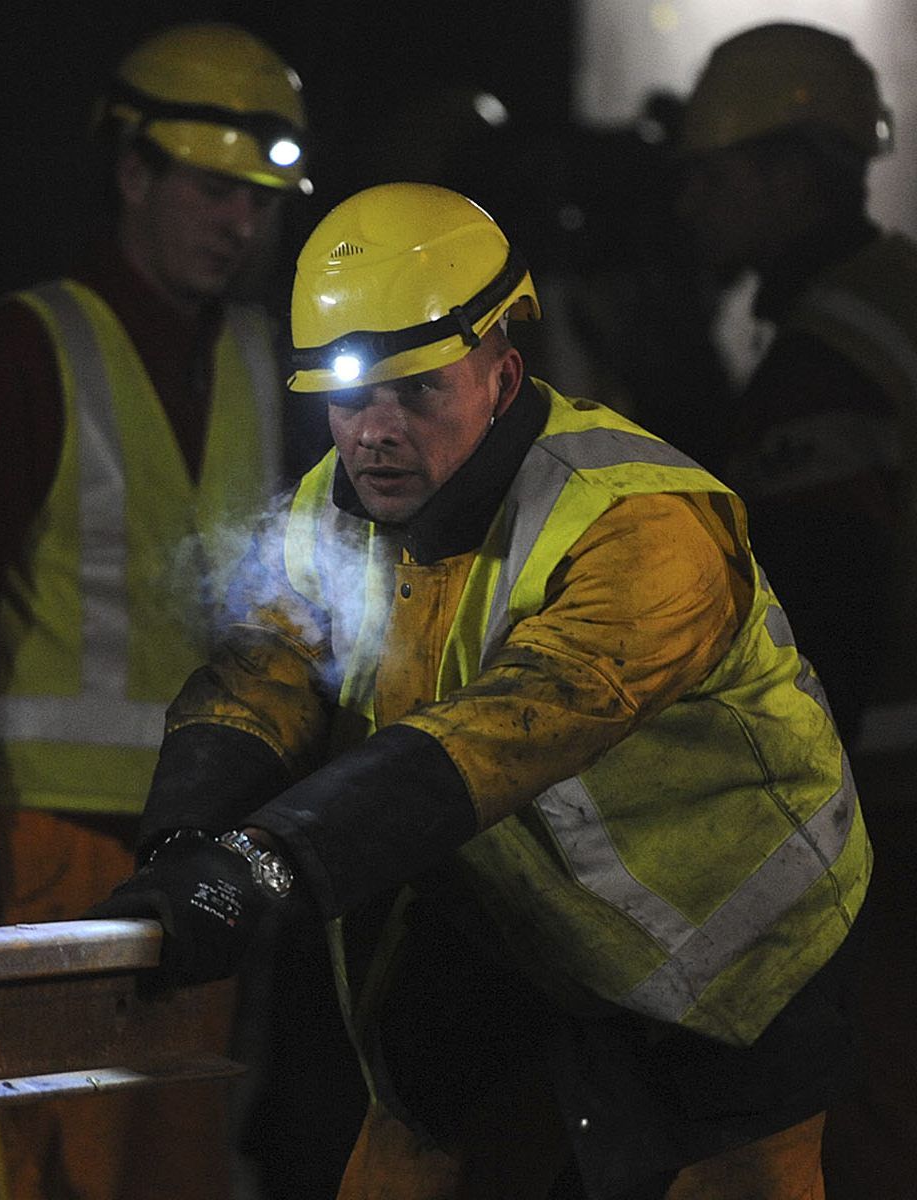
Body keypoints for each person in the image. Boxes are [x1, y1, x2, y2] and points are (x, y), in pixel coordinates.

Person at [88, 181, 872, 1199]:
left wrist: (262, 871)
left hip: (731, 958)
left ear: (502, 378)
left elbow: (496, 738)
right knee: (404, 1162)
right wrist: (187, 842)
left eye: (416, 392)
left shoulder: (638, 528)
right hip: (516, 919)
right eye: (347, 394)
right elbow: (264, 670)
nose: (372, 431)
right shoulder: (338, 507)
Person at [0, 21, 312, 1200]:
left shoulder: (250, 357)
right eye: (212, 189)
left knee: (180, 1160)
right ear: (133, 171)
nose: (239, 223)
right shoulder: (26, 348)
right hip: (53, 836)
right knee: (51, 1163)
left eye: (258, 198)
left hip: (208, 846)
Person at [673, 23, 917, 1197]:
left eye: (710, 177)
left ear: (785, 171)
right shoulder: (898, 295)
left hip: (881, 810)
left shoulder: (828, 357)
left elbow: (821, 613)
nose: (695, 204)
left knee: (864, 1119)